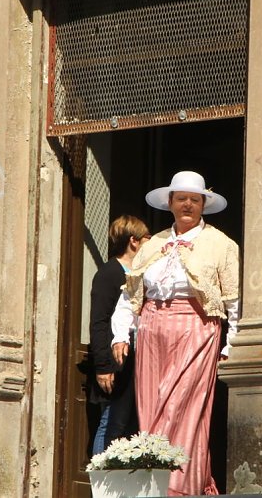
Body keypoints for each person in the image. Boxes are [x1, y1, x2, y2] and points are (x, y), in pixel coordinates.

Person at [111, 171, 239, 496]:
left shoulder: (221, 244)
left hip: (196, 328)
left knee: (182, 405)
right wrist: (120, 334)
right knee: (153, 408)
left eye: (194, 200)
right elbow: (131, 292)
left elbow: (233, 299)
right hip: (153, 328)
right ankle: (152, 484)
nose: (187, 205)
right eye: (181, 198)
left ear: (203, 205)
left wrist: (231, 342)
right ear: (170, 203)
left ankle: (179, 488)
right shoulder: (153, 244)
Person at [88, 215, 151, 455]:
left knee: (130, 424)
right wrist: (103, 365)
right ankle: (102, 485)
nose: (150, 242)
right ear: (134, 241)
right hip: (116, 361)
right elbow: (99, 321)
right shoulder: (109, 273)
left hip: (135, 356)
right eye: (147, 237)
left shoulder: (142, 271)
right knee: (110, 422)